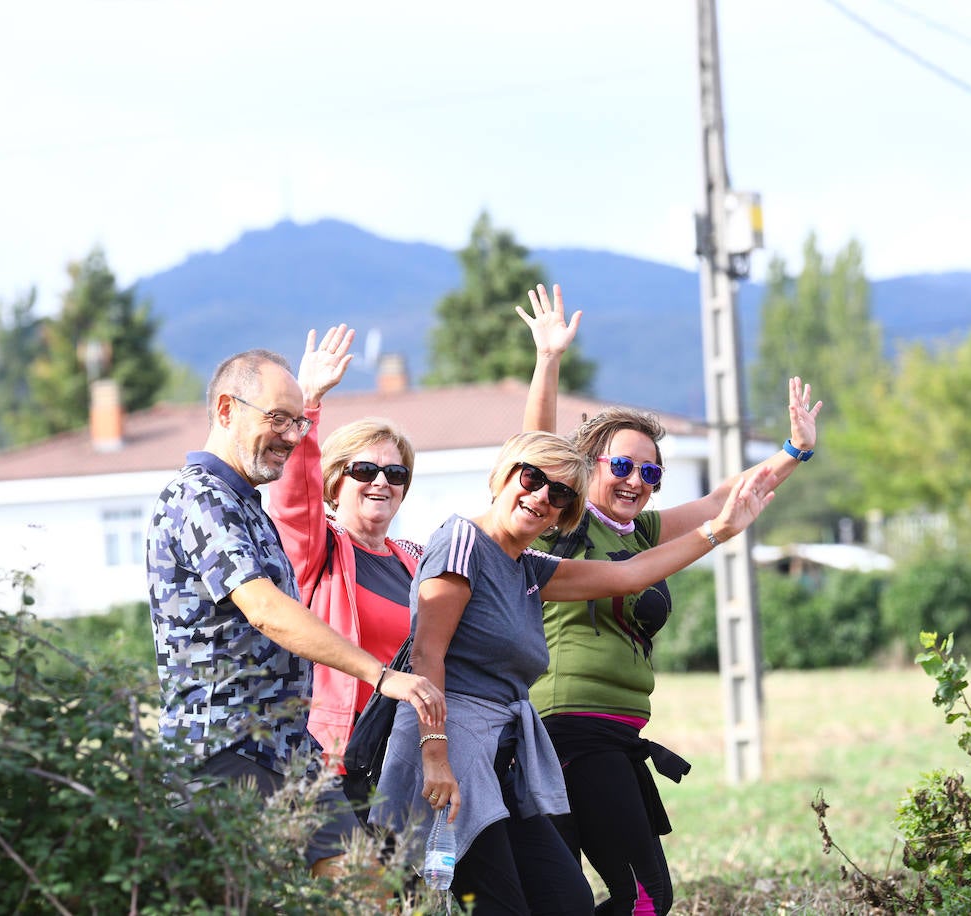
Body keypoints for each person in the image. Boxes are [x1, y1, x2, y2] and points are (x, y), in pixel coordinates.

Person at [369, 430, 776, 915]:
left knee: (567, 902)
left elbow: (630, 575)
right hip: (451, 753)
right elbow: (426, 655)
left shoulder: (526, 566)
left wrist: (722, 531)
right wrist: (434, 755)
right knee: (501, 907)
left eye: (559, 493)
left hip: (504, 761)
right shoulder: (462, 540)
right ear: (502, 477)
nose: (542, 496)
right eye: (532, 478)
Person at [517, 283, 823, 915]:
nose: (635, 482)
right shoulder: (564, 519)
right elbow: (535, 454)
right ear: (588, 466)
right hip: (569, 730)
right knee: (645, 899)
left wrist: (793, 452)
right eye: (622, 467)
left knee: (573, 901)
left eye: (650, 473)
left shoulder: (647, 531)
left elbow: (722, 503)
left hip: (615, 734)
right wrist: (548, 361)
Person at [146, 346, 446, 878]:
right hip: (225, 745)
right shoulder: (198, 497)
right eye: (278, 419)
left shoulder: (247, 508)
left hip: (286, 748)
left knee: (368, 888)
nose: (291, 434)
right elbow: (265, 610)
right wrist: (382, 677)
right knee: (311, 890)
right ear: (225, 410)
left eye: (298, 421)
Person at [267, 325, 422, 801]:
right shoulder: (321, 550)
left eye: (394, 473)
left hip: (407, 759)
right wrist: (307, 403)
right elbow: (294, 499)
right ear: (334, 482)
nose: (381, 481)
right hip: (338, 756)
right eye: (364, 470)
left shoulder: (414, 561)